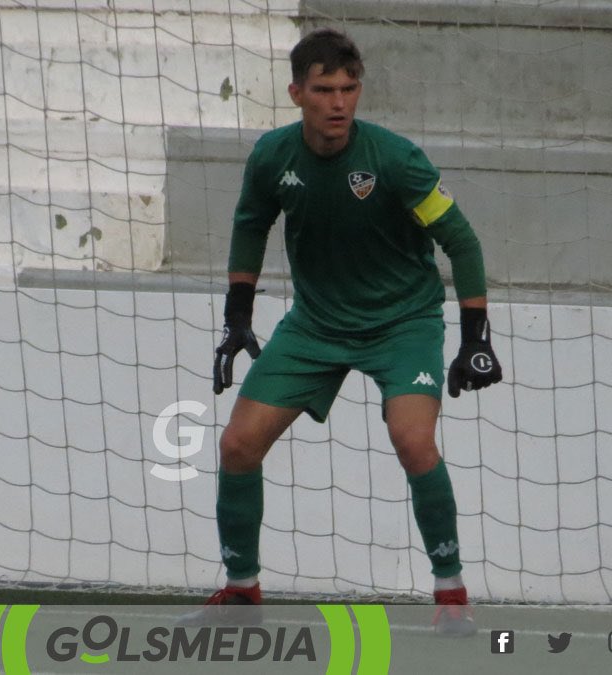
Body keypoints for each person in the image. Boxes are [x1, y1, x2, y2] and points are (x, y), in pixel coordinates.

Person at [189, 27, 502, 636]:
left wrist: (474, 337)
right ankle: (242, 593)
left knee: (412, 442)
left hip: (402, 323)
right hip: (315, 324)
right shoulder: (273, 156)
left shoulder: (395, 159)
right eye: (325, 89)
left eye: (350, 88)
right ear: (296, 93)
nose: (339, 103)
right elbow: (251, 226)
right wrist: (237, 319)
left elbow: (461, 241)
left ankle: (452, 595)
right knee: (236, 446)